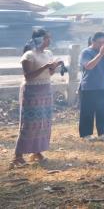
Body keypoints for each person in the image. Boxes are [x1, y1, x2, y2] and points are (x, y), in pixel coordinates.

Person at [12, 29, 62, 166]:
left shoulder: (48, 53)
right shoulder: (29, 55)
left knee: (42, 123)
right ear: (39, 39)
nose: (49, 40)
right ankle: (17, 156)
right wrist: (46, 66)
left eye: (49, 38)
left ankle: (36, 151)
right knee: (29, 123)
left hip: (45, 90)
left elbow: (49, 74)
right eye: (46, 38)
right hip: (32, 91)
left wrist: (54, 67)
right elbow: (28, 76)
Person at [79, 32, 104, 141]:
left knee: (103, 110)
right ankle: (86, 134)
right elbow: (88, 66)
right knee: (87, 111)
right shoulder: (86, 52)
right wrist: (100, 54)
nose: (102, 45)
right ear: (93, 42)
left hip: (103, 86)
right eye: (99, 42)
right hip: (89, 86)